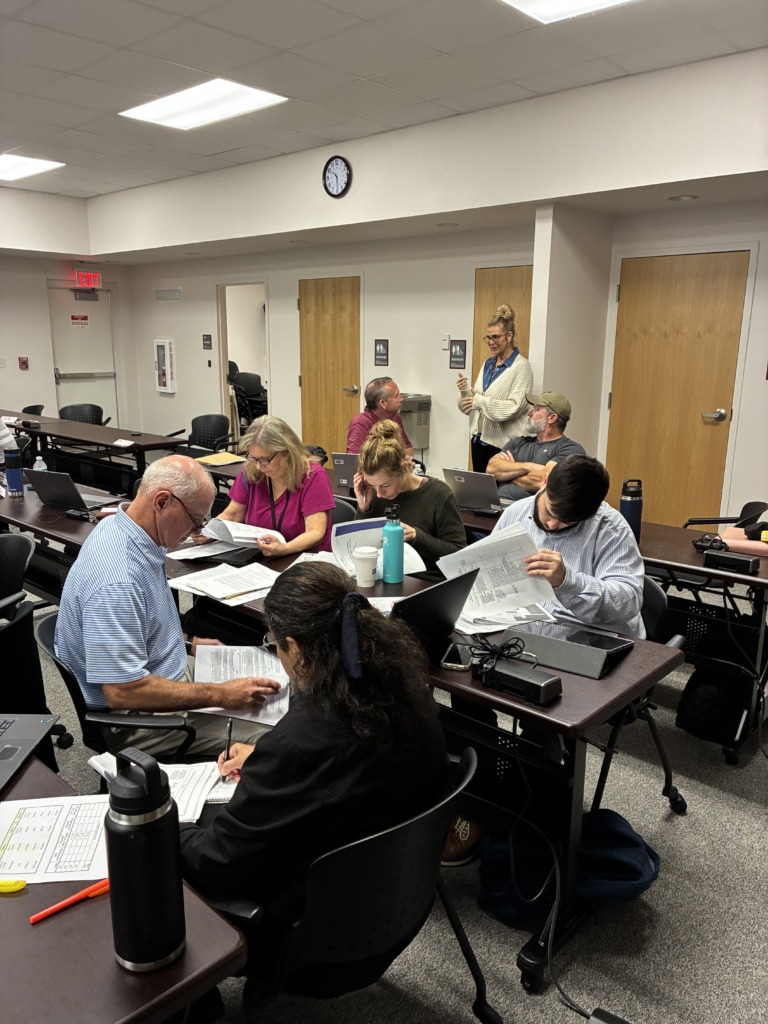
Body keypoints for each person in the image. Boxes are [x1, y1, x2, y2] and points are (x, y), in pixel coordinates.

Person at [178, 561, 448, 972]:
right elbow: (344, 768)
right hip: (391, 903)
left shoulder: (299, 742)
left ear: (297, 648)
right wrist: (267, 758)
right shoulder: (412, 695)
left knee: (150, 846)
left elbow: (218, 865)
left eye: (275, 644)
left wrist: (168, 828)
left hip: (306, 933)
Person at [443, 455, 645, 864]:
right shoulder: (517, 511)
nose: (552, 526)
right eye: (551, 513)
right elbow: (486, 572)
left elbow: (628, 601)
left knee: (542, 708)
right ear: (545, 484)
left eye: (566, 524)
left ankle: (532, 807)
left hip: (583, 640)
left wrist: (568, 580)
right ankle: (483, 797)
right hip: (520, 627)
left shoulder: (609, 527)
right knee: (463, 691)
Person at [55, 455, 281, 757]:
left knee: (275, 686)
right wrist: (222, 695)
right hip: (135, 719)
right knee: (278, 739)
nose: (197, 530)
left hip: (161, 673)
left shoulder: (120, 529)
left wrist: (186, 643)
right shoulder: (117, 580)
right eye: (196, 520)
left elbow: (139, 625)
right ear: (161, 501)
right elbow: (122, 692)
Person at [208, 415, 335, 556]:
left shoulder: (313, 475)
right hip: (262, 557)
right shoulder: (251, 471)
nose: (258, 466)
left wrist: (285, 548)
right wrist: (210, 531)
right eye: (254, 458)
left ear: (287, 452)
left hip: (303, 559)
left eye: (265, 459)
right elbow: (232, 515)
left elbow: (315, 532)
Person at [353, 420, 465, 577]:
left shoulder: (438, 494)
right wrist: (364, 509)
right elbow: (359, 550)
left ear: (404, 468)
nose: (379, 494)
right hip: (382, 576)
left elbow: (459, 554)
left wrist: (416, 536)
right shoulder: (373, 496)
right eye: (372, 486)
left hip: (425, 581)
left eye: (385, 485)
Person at [456, 304, 533, 474]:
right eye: (488, 337)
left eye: (496, 337)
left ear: (509, 336)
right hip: (478, 440)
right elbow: (470, 407)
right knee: (480, 493)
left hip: (502, 445)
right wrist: (464, 393)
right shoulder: (488, 364)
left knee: (499, 495)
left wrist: (479, 400)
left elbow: (513, 407)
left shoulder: (522, 367)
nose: (491, 342)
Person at [486, 391, 586, 501]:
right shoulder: (517, 442)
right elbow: (491, 470)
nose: (529, 413)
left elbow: (543, 482)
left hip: (530, 511)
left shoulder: (570, 450)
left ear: (552, 418)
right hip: (497, 504)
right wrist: (528, 467)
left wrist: (509, 474)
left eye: (536, 409)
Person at [346, 377, 414, 458]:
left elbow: (408, 449)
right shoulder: (361, 423)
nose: (402, 399)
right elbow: (355, 461)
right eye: (397, 396)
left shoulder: (395, 418)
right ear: (383, 403)